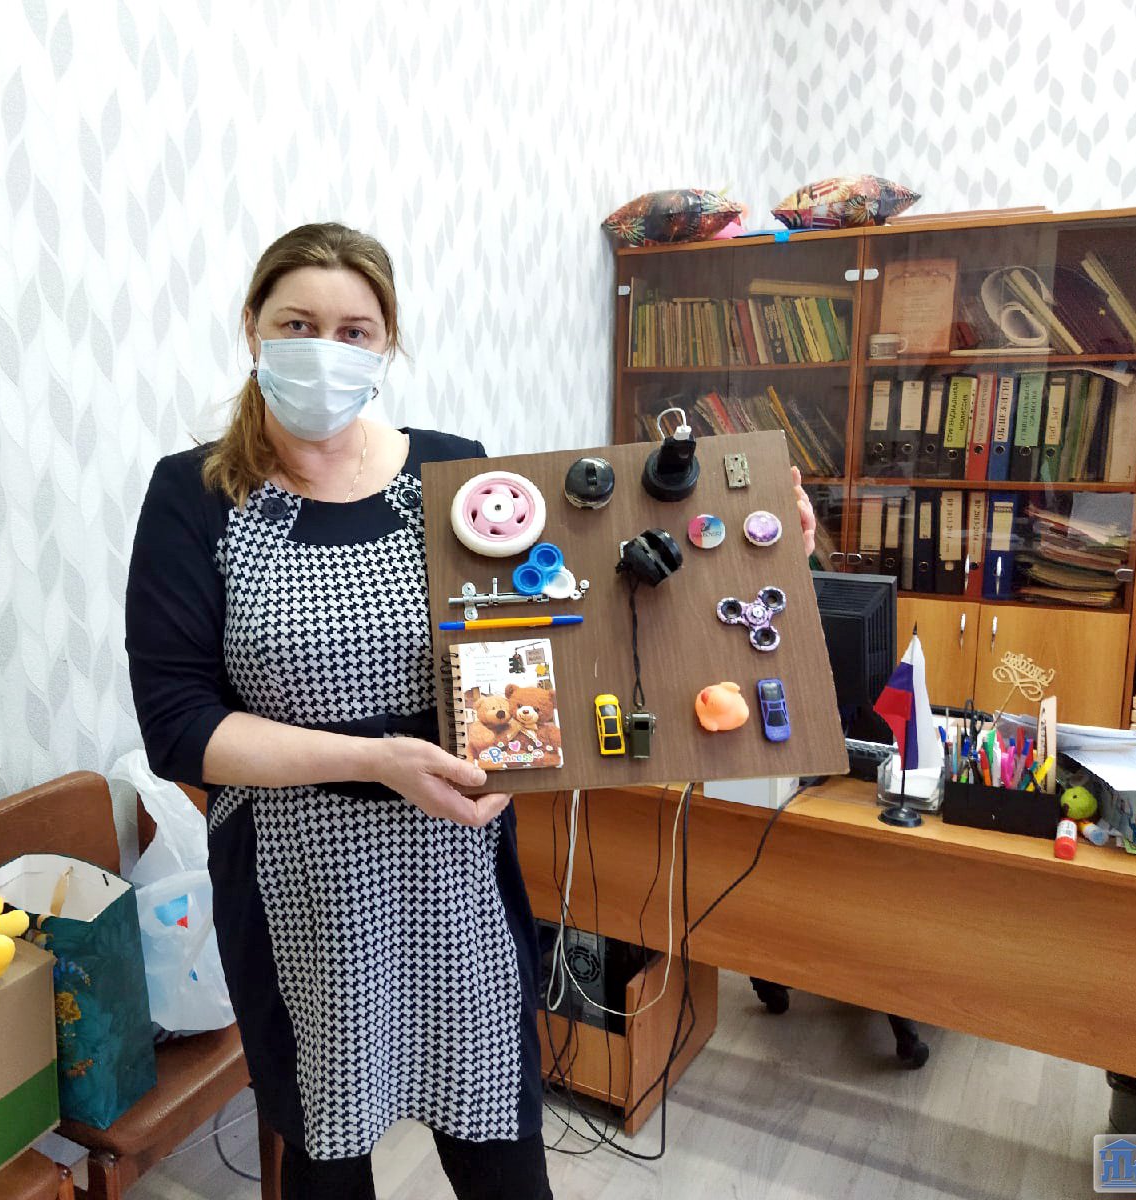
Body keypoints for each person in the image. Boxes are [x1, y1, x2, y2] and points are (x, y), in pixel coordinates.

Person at [125, 221, 817, 1200]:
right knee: (326, 1164)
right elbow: (179, 727)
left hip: (455, 876)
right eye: (298, 324)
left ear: (387, 345)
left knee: (501, 1162)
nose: (325, 349)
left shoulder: (454, 476)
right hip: (298, 894)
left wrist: (751, 549)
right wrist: (376, 761)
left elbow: (567, 624)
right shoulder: (196, 495)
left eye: (354, 331)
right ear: (253, 329)